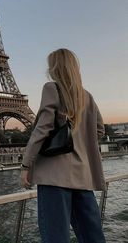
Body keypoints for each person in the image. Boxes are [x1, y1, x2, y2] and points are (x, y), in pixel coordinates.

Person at [21, 48, 106, 243]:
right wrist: (80, 141)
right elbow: (99, 130)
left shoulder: (52, 88)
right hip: (83, 177)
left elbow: (42, 130)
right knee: (93, 236)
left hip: (54, 177)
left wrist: (25, 165)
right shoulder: (87, 96)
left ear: (55, 68)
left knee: (56, 237)